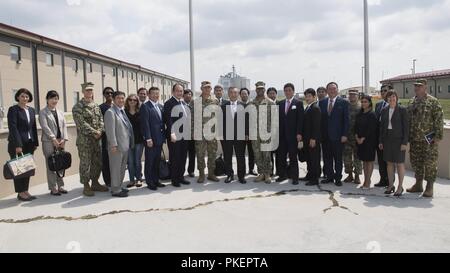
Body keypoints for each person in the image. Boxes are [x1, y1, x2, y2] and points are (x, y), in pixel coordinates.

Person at [407, 79, 444, 198]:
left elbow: (439, 120)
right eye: (416, 86)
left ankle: (429, 187)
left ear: (425, 87)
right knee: (416, 162)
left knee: (429, 163)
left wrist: (438, 136)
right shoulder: (412, 101)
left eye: (420, 86)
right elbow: (408, 119)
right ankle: (418, 184)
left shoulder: (433, 102)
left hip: (429, 140)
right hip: (415, 139)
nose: (417, 88)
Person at [73, 82, 109, 197]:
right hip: (85, 141)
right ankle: (86, 185)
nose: (89, 92)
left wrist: (101, 130)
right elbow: (81, 124)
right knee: (85, 163)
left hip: (97, 140)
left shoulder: (96, 106)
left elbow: (101, 120)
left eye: (91, 90)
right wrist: (95, 132)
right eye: (87, 90)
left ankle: (95, 182)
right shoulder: (78, 107)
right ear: (83, 92)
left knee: (97, 162)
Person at [7, 88, 39, 202]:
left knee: (27, 169)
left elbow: (33, 128)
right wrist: (18, 145)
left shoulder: (31, 110)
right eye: (22, 96)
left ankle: (25, 190)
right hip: (17, 144)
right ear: (18, 97)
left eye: (26, 96)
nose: (25, 98)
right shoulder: (13, 110)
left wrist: (35, 143)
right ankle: (20, 193)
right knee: (19, 168)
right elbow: (13, 128)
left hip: (29, 144)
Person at [379, 91, 409, 197]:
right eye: (389, 97)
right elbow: (382, 127)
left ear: (396, 98)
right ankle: (391, 185)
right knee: (389, 163)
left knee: (400, 163)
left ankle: (400, 187)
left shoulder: (402, 110)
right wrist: (381, 141)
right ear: (386, 99)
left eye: (393, 97)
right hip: (387, 140)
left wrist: (404, 142)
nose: (391, 99)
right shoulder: (384, 110)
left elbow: (406, 127)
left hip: (399, 141)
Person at [319, 82, 349, 187]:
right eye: (330, 89)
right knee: (327, 158)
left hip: (338, 137)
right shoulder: (322, 102)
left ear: (337, 90)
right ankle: (329, 177)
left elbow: (346, 120)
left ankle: (338, 178)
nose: (332, 91)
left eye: (334, 89)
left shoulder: (344, 103)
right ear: (327, 91)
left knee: (338, 159)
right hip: (325, 137)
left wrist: (345, 134)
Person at [39, 90, 69, 196]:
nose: (54, 100)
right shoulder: (43, 112)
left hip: (61, 141)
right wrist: (53, 139)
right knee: (51, 164)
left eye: (56, 98)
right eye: (52, 98)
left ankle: (61, 186)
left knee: (61, 163)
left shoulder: (60, 112)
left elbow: (65, 126)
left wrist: (64, 139)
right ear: (47, 99)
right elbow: (45, 127)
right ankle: (53, 187)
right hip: (48, 142)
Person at [105, 91, 134, 198]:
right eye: (118, 98)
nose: (121, 100)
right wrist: (113, 145)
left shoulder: (122, 111)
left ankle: (119, 186)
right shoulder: (110, 112)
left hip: (124, 145)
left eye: (122, 98)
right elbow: (110, 130)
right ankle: (115, 190)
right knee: (115, 169)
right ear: (113, 99)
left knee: (121, 168)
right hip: (116, 147)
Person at [191, 81, 220, 183]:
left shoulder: (215, 101)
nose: (207, 89)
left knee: (212, 153)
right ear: (201, 89)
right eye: (205, 88)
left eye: (209, 88)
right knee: (200, 154)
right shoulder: (195, 102)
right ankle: (202, 174)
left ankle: (211, 174)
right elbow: (192, 119)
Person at [276, 83, 304, 185]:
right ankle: (282, 175)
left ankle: (295, 177)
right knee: (281, 157)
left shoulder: (298, 103)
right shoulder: (280, 103)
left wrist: (299, 133)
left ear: (293, 91)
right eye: (286, 90)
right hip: (282, 136)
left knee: (293, 157)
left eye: (289, 90)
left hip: (293, 136)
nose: (287, 92)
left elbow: (300, 120)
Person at [164, 84, 190, 187]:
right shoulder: (169, 103)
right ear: (173, 92)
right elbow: (168, 120)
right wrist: (172, 133)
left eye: (181, 91)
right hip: (175, 135)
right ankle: (175, 180)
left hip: (185, 135)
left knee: (183, 157)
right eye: (178, 91)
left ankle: (181, 177)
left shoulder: (183, 103)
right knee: (175, 158)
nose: (180, 93)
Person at [250, 81, 276, 184]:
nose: (260, 90)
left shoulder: (270, 102)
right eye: (258, 89)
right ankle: (261, 173)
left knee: (267, 155)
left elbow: (274, 120)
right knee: (257, 154)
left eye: (262, 89)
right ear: (256, 90)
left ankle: (267, 174)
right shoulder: (251, 103)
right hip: (255, 133)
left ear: (264, 90)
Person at [141, 87, 166, 191]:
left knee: (156, 161)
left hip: (159, 139)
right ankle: (150, 181)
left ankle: (156, 180)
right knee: (150, 162)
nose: (156, 95)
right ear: (149, 95)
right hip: (151, 140)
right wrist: (148, 138)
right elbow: (145, 124)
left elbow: (162, 123)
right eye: (153, 93)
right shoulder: (145, 107)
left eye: (157, 93)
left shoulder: (160, 106)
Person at [221, 87, 247, 184]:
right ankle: (229, 175)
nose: (233, 94)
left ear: (238, 94)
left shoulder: (243, 106)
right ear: (228, 94)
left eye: (235, 92)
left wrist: (246, 134)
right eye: (231, 92)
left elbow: (247, 122)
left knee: (240, 157)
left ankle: (241, 176)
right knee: (227, 157)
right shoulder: (223, 106)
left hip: (240, 136)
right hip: (227, 136)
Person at [355, 95, 378, 189]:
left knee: (369, 162)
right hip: (360, 142)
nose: (364, 103)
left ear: (370, 103)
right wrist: (357, 137)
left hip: (369, 142)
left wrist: (363, 138)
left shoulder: (372, 114)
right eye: (362, 102)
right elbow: (355, 126)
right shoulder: (360, 114)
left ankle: (368, 182)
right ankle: (365, 180)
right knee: (364, 162)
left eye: (366, 102)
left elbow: (371, 129)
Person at [302, 88, 321, 186]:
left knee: (314, 159)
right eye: (306, 96)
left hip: (312, 139)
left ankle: (315, 179)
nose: (307, 98)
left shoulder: (315, 108)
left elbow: (316, 125)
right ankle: (309, 175)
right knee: (309, 158)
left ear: (314, 97)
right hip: (307, 139)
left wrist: (313, 138)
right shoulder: (308, 107)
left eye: (309, 96)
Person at [374, 84, 392, 188]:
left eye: (385, 90)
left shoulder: (396, 105)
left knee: (389, 162)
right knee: (381, 161)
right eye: (381, 91)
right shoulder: (378, 105)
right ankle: (382, 180)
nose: (383, 93)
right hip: (379, 138)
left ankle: (390, 182)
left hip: (390, 139)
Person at [343, 90, 362, 184]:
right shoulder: (345, 106)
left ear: (358, 96)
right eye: (350, 95)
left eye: (354, 95)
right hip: (346, 136)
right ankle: (349, 175)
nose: (352, 96)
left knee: (357, 157)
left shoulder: (361, 107)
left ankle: (357, 176)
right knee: (347, 158)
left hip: (357, 136)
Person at [125, 94, 144, 188]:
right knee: (130, 162)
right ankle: (131, 180)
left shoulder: (140, 112)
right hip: (127, 141)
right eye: (130, 100)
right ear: (127, 101)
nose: (132, 101)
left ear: (137, 102)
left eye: (134, 100)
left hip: (139, 140)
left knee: (137, 161)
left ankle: (139, 179)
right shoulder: (124, 112)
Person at [240, 88, 257, 176]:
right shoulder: (238, 105)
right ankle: (242, 171)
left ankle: (251, 169)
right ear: (240, 95)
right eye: (242, 94)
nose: (244, 95)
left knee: (252, 153)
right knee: (241, 154)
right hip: (241, 134)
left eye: (245, 93)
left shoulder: (252, 104)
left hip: (251, 133)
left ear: (248, 94)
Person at [100, 87, 114, 187]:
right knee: (106, 160)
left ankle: (115, 179)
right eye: (107, 93)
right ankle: (108, 181)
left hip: (117, 137)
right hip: (105, 137)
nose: (109, 94)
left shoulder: (117, 106)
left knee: (116, 160)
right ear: (104, 95)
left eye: (111, 93)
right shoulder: (101, 107)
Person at [184, 89, 196, 178]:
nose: (188, 96)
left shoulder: (194, 106)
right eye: (186, 94)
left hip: (192, 135)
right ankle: (181, 171)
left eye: (190, 94)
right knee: (182, 155)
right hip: (182, 135)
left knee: (192, 154)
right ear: (183, 96)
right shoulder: (180, 105)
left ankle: (191, 171)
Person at [267, 87, 278, 176]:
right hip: (268, 134)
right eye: (270, 93)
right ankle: (270, 171)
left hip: (279, 134)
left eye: (273, 93)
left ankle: (279, 171)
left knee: (279, 154)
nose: (272, 95)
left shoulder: (281, 104)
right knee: (269, 155)